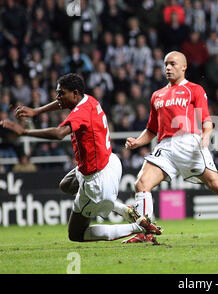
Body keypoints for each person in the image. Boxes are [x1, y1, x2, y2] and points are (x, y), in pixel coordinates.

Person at [123, 51, 218, 243]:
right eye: (166, 64)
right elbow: (152, 129)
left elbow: (206, 120)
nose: (168, 68)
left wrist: (206, 136)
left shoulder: (194, 89)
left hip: (189, 143)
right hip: (165, 147)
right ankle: (146, 234)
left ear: (184, 67)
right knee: (141, 184)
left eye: (173, 64)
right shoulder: (157, 96)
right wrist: (137, 141)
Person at [2, 73, 161, 243]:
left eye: (61, 93)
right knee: (66, 185)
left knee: (76, 234)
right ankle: (126, 210)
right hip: (111, 162)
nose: (58, 98)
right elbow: (61, 103)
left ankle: (138, 227)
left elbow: (59, 133)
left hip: (96, 180)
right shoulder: (89, 100)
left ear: (75, 93)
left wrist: (24, 132)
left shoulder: (80, 112)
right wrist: (36, 111)